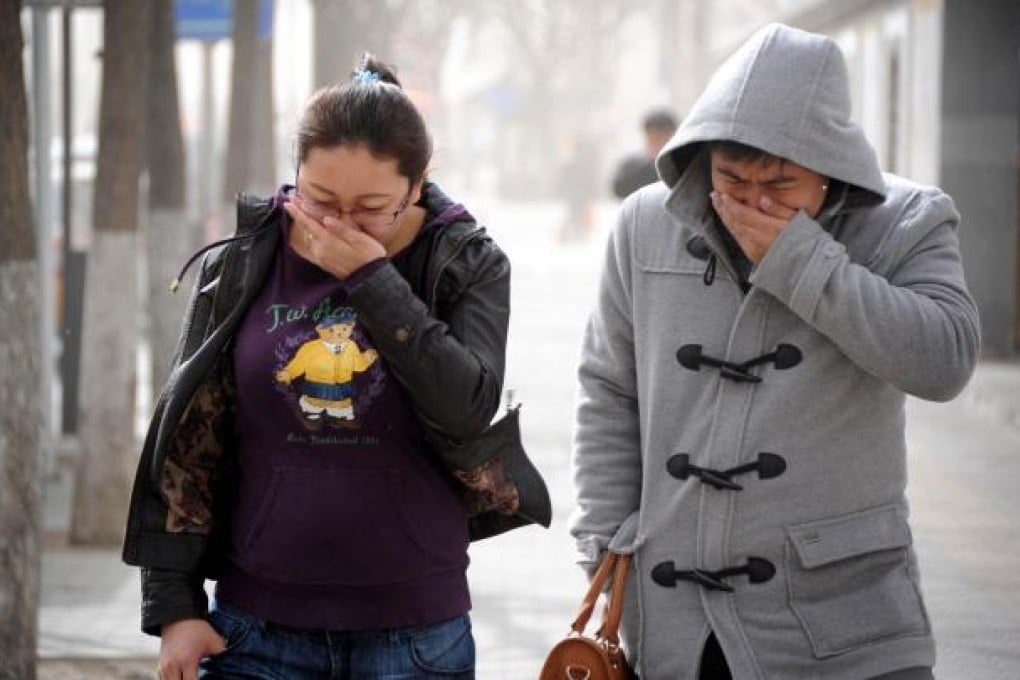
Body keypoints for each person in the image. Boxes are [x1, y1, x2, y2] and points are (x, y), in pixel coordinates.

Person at [570, 23, 980, 680]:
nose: (751, 203)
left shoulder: (909, 221)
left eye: (781, 185)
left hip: (845, 626)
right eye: (731, 178)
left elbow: (944, 360)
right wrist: (603, 542)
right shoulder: (647, 223)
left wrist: (800, 258)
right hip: (676, 624)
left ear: (831, 170)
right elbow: (609, 389)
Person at [123, 54, 542, 680]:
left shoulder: (466, 265)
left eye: (371, 206)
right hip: (254, 631)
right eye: (319, 199)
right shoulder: (244, 261)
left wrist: (372, 279)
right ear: (296, 173)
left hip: (414, 637)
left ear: (417, 184)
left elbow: (467, 404)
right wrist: (174, 608)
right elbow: (187, 437)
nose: (339, 223)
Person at [610, 108, 678, 199]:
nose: (656, 141)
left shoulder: (680, 167)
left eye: (660, 137)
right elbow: (618, 189)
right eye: (652, 137)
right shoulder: (631, 166)